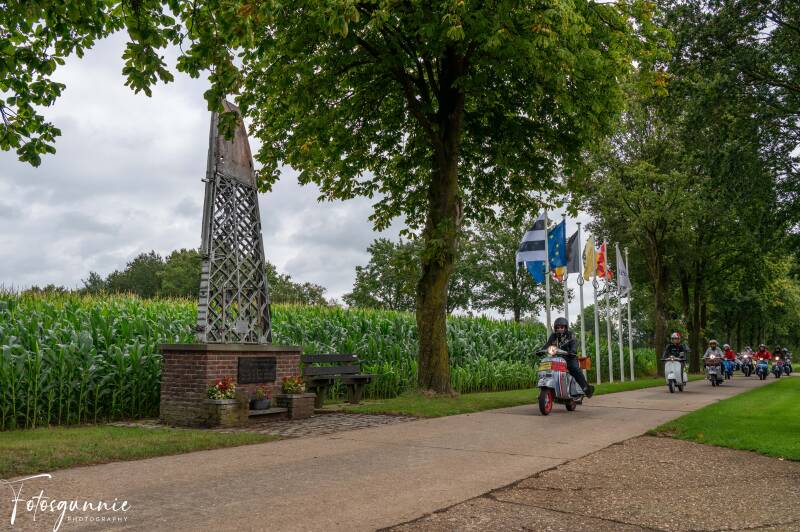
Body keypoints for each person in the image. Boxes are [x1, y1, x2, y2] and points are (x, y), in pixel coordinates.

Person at [545, 317, 594, 398]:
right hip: (557, 359)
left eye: (562, 327)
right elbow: (547, 345)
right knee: (548, 368)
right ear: (555, 328)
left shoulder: (570, 335)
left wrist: (572, 351)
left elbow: (574, 344)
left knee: (575, 369)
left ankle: (586, 388)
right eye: (558, 327)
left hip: (570, 357)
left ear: (565, 327)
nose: (560, 329)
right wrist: (540, 350)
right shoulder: (553, 336)